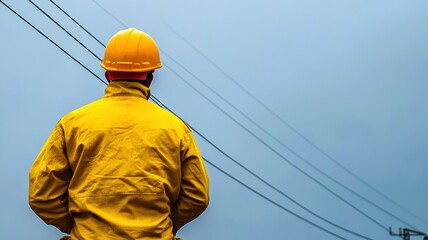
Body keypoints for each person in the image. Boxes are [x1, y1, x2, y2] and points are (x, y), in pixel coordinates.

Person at [29, 28, 210, 240]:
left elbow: (42, 196)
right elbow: (197, 196)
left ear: (107, 75)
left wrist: (82, 228)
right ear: (150, 77)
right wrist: (162, 227)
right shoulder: (176, 128)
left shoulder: (71, 124)